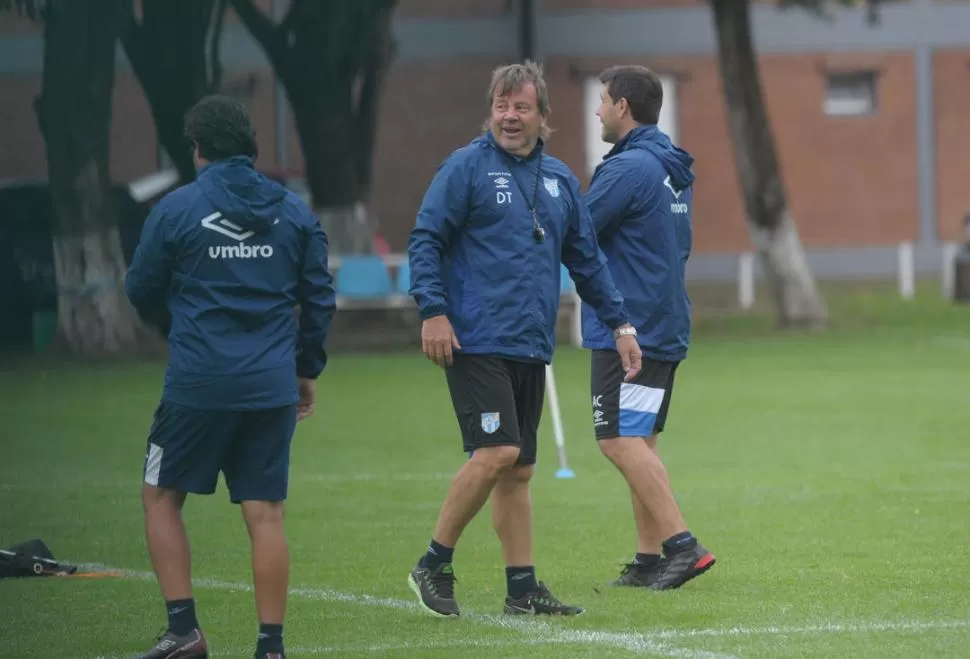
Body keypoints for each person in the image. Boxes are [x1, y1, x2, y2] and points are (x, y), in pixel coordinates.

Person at [406, 60, 643, 618]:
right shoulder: (465, 168)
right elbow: (425, 240)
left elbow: (588, 262)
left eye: (521, 107)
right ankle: (433, 563)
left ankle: (522, 590)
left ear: (543, 116)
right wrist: (433, 312)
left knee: (519, 470)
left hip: (529, 344)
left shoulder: (559, 180)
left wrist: (622, 324)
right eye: (501, 106)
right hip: (475, 339)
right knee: (497, 452)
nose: (509, 117)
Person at [124, 95, 337, 659]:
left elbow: (140, 287)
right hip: (270, 385)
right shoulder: (293, 212)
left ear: (197, 149)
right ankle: (271, 647)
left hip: (197, 382)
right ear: (250, 146)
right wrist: (305, 368)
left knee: (159, 495)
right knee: (265, 513)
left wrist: (177, 326)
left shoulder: (176, 208)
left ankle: (184, 631)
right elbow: (319, 298)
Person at [583, 65, 715, 590]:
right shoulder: (668, 165)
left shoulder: (628, 169)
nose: (596, 110)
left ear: (623, 107)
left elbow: (577, 233)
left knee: (617, 440)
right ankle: (646, 559)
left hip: (630, 328)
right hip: (665, 319)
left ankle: (683, 546)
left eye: (602, 100)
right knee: (641, 442)